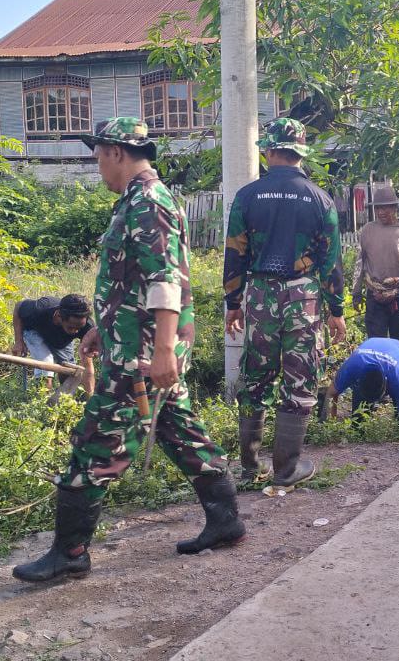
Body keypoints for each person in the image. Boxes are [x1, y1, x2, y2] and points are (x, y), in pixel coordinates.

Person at [14, 118, 243, 583]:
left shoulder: (148, 203)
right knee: (182, 433)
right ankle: (226, 521)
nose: (97, 165)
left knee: (95, 445)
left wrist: (161, 349)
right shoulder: (137, 202)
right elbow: (132, 280)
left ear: (116, 152)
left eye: (98, 155)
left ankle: (70, 552)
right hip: (136, 346)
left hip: (141, 357)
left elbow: (164, 281)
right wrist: (101, 325)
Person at [223, 118, 346, 485]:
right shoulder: (320, 199)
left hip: (259, 297)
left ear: (268, 151)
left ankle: (248, 467)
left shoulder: (247, 196)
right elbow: (331, 263)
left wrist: (233, 303)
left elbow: (235, 254)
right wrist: (336, 310)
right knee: (299, 378)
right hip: (303, 298)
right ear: (300, 153)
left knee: (256, 378)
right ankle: (287, 468)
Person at [352, 183, 399, 343]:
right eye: (378, 208)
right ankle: (378, 369)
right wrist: (356, 293)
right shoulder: (367, 230)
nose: (381, 212)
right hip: (375, 295)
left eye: (385, 208)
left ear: (394, 208)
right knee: (376, 345)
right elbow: (360, 264)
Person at [11, 293, 96, 396]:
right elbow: (18, 307)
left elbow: (87, 365)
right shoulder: (40, 308)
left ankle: (62, 400)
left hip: (60, 340)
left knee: (70, 371)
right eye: (71, 327)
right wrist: (18, 341)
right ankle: (43, 402)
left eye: (79, 328)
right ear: (59, 316)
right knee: (46, 363)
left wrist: (90, 397)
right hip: (35, 330)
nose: (75, 331)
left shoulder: (88, 328)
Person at [325, 337, 399, 421]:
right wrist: (331, 421)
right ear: (358, 380)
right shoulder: (351, 367)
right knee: (358, 419)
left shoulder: (398, 378)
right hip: (367, 353)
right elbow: (331, 393)